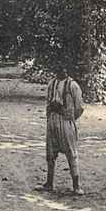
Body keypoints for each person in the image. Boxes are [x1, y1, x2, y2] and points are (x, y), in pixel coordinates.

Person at [38, 65, 84, 195]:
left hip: (66, 123)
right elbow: (48, 102)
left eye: (63, 69)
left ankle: (76, 185)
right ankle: (49, 183)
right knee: (50, 154)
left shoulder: (73, 86)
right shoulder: (52, 84)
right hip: (52, 121)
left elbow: (79, 107)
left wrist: (70, 118)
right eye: (58, 69)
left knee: (71, 153)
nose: (60, 71)